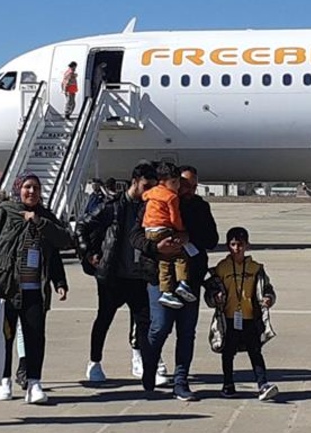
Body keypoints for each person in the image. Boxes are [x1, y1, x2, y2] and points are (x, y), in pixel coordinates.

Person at [0, 172, 72, 404]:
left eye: (36, 187)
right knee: (5, 336)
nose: (31, 192)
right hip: (4, 289)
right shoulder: (3, 213)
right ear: (18, 189)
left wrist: (60, 282)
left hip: (35, 289)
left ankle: (34, 382)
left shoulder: (45, 216)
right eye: (27, 187)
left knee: (36, 337)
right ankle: (4, 380)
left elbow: (61, 244)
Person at [75, 163, 170, 383]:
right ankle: (94, 362)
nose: (149, 191)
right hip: (112, 275)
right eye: (146, 186)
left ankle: (146, 364)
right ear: (134, 181)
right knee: (104, 319)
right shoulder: (113, 206)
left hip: (139, 275)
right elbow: (82, 226)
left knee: (144, 323)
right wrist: (88, 253)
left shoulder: (149, 207)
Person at [132, 164, 219, 401]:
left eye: (194, 186)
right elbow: (136, 236)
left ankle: (181, 381)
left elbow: (212, 239)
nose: (190, 190)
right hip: (158, 278)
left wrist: (189, 236)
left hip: (190, 278)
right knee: (160, 327)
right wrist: (155, 246)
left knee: (186, 331)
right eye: (186, 185)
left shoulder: (200, 207)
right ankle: (150, 365)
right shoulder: (154, 202)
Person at [204, 227, 278, 401]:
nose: (237, 248)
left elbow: (267, 288)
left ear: (247, 246)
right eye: (233, 244)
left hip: (250, 317)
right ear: (228, 245)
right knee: (228, 352)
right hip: (229, 318)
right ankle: (228, 384)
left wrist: (268, 298)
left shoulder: (255, 268)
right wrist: (216, 297)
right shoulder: (221, 268)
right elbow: (210, 293)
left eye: (240, 245)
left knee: (255, 352)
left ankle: (262, 384)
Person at [141, 162, 194, 309]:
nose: (177, 186)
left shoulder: (151, 193)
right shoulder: (171, 197)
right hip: (163, 229)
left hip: (149, 230)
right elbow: (174, 218)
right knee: (179, 255)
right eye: (175, 182)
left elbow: (144, 196)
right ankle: (183, 283)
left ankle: (166, 292)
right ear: (164, 181)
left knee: (164, 261)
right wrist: (180, 230)